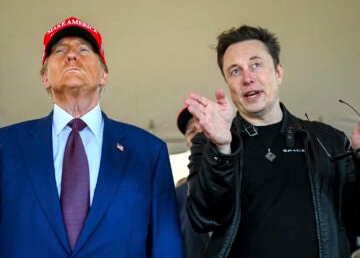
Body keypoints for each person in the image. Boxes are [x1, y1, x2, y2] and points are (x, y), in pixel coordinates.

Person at [0, 16, 183, 257]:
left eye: (84, 49)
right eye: (60, 50)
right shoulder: (6, 146)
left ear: (103, 74)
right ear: (45, 77)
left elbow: (166, 247)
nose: (72, 55)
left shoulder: (148, 152)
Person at [184, 25, 360, 257]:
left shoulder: (329, 140)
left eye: (256, 65)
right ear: (227, 83)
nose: (247, 78)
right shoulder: (209, 145)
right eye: (235, 71)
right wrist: (223, 148)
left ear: (278, 72)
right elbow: (203, 218)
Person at [175, 106, 210, 258]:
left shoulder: (244, 179)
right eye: (192, 131)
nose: (198, 133)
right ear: (188, 142)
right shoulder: (179, 194)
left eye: (205, 126)